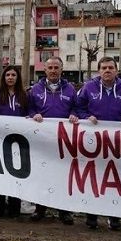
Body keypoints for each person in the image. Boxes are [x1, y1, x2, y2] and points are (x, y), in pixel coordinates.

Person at [75, 56, 121, 230]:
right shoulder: (89, 87)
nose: (107, 70)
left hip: (118, 142)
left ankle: (113, 216)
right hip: (94, 141)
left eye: (110, 67)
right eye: (104, 68)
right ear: (98, 71)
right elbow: (79, 108)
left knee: (116, 180)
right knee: (94, 178)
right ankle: (92, 215)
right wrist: (86, 117)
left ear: (116, 70)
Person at [28, 56, 78, 225]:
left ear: (61, 70)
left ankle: (64, 211)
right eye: (50, 68)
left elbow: (76, 108)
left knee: (63, 175)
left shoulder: (70, 89)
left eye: (57, 67)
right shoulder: (35, 89)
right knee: (42, 175)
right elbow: (30, 108)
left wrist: (74, 114)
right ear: (45, 70)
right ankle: (40, 208)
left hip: (63, 140)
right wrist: (33, 114)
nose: (53, 70)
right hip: (42, 140)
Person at [0, 65, 28, 218]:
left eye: (13, 75)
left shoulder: (24, 96)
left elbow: (30, 113)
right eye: (7, 75)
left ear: (17, 77)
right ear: (3, 78)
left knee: (16, 175)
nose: (10, 77)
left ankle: (14, 208)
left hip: (19, 143)